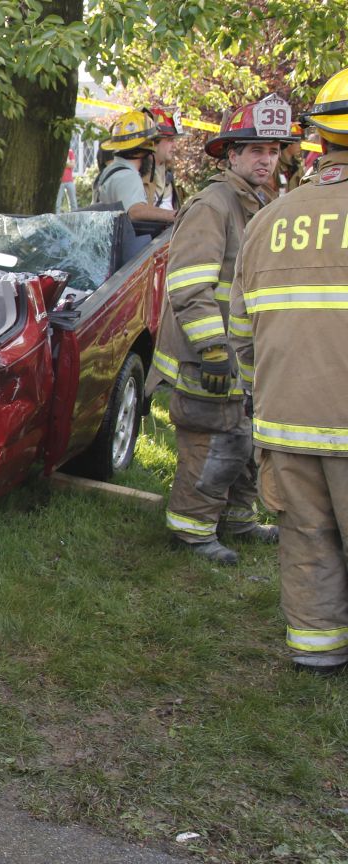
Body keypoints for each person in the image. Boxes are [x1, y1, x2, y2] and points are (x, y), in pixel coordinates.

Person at [229, 69, 348, 673]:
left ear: (318, 140)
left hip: (285, 424)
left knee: (306, 541)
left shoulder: (268, 221)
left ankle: (317, 652)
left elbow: (242, 334)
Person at [146, 95, 296, 564]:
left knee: (244, 435)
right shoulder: (214, 204)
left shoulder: (261, 203)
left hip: (243, 354)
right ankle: (192, 530)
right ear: (231, 155)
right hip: (206, 354)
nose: (266, 159)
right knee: (212, 438)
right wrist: (212, 346)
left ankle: (237, 519)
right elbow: (189, 283)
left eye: (273, 151)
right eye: (254, 150)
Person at [93, 109, 176, 223]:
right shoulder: (128, 176)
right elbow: (135, 211)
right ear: (143, 151)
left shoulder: (110, 171)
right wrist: (176, 215)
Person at [144, 108, 181, 211]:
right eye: (170, 140)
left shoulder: (168, 175)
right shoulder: (137, 176)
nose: (175, 145)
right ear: (153, 142)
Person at [56, 148, 77, 212]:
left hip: (69, 181)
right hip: (60, 181)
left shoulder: (70, 151)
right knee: (57, 204)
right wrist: (67, 163)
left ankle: (74, 219)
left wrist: (62, 162)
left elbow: (73, 165)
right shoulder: (57, 152)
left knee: (73, 203)